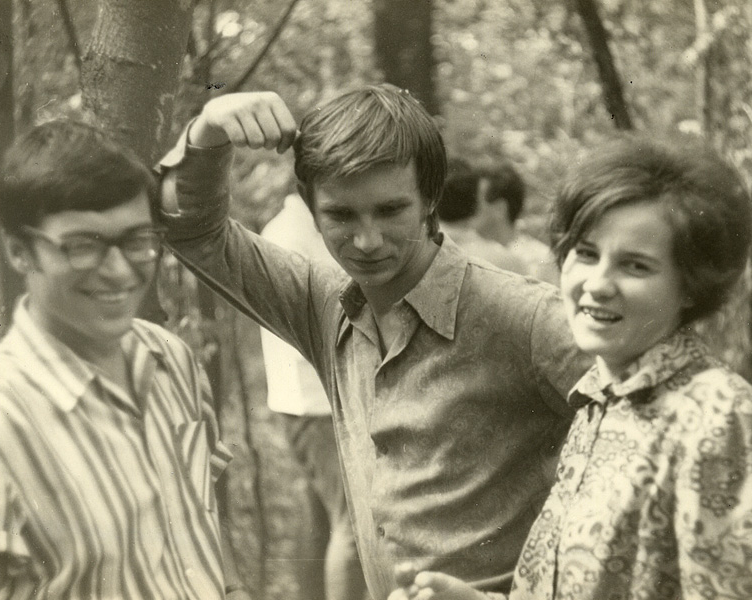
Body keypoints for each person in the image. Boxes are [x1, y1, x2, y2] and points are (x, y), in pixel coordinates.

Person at [156, 86, 589, 600]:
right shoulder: (327, 307)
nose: (367, 240)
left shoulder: (525, 316)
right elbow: (191, 230)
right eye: (341, 215)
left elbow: (654, 438)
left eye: (390, 210)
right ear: (311, 207)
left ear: (429, 199)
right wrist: (208, 130)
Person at [388, 137, 752, 600]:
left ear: (691, 286)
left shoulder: (716, 416)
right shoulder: (600, 399)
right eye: (585, 253)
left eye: (635, 266)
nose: (597, 284)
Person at [0, 121, 248, 600]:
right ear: (18, 252)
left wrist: (234, 588)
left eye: (136, 240)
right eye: (83, 246)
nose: (118, 271)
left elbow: (201, 514)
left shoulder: (171, 358)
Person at [259, 193, 367, 600]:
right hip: (316, 401)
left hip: (313, 398)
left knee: (322, 518)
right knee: (353, 525)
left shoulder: (302, 230)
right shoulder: (290, 235)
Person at [436, 160, 528, 275]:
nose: (470, 204)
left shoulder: (527, 259)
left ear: (500, 208)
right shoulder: (462, 242)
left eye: (476, 198)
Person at [475, 161, 558, 285]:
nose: (466, 208)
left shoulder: (538, 262)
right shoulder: (468, 250)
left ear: (500, 209)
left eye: (475, 203)